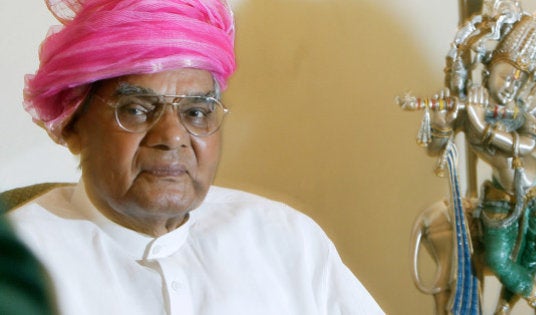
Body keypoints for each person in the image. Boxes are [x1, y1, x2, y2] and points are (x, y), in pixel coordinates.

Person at [4, 0, 383, 314]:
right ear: (73, 125)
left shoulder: (285, 239)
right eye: (136, 108)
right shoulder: (19, 266)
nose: (171, 137)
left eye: (196, 112)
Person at [425, 11, 536, 315]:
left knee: (532, 256)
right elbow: (438, 149)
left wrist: (484, 126)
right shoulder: (468, 107)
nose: (509, 88)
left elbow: (529, 144)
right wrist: (440, 123)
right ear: (488, 70)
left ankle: (503, 308)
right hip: (501, 196)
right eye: (505, 77)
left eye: (517, 84)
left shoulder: (517, 112)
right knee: (499, 260)